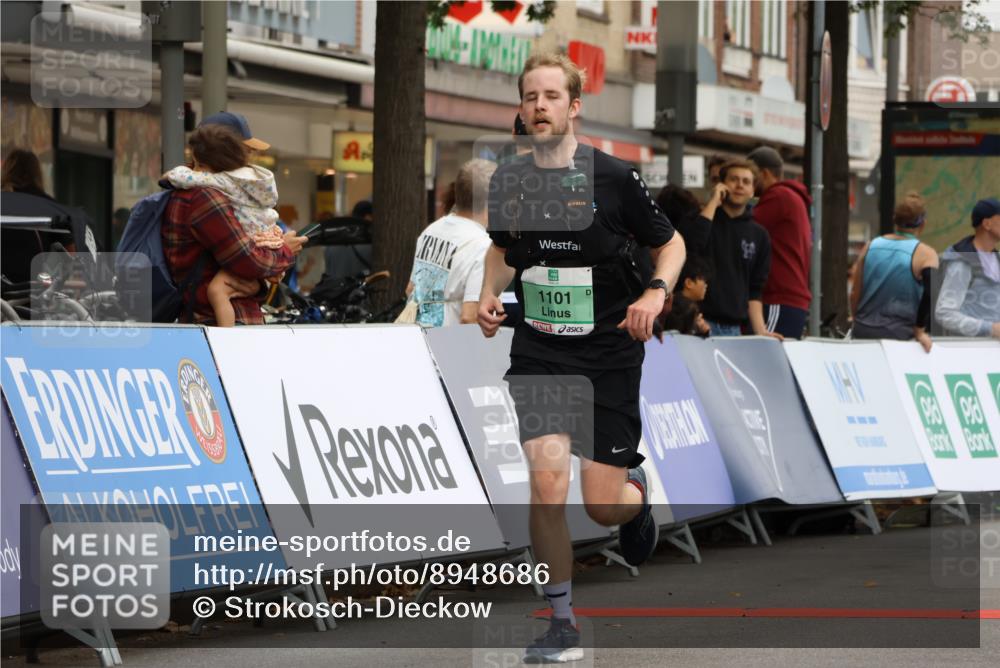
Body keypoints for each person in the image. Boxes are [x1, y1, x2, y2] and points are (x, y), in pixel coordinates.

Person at [477, 52, 685, 663]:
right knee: (546, 483)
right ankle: (561, 623)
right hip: (541, 348)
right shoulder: (511, 182)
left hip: (609, 352)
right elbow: (503, 251)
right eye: (529, 96)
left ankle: (635, 495)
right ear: (521, 109)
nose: (539, 105)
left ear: (574, 106)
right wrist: (490, 293)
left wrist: (656, 291)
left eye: (550, 96)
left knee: (600, 503)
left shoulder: (614, 178)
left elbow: (668, 245)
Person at [161, 128, 304, 325]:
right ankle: (225, 338)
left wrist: (257, 285)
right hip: (220, 320)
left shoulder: (202, 191)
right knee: (218, 293)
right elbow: (247, 260)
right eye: (246, 149)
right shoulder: (206, 197)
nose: (248, 157)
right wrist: (285, 251)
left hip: (207, 315)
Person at [406, 159, 496, 327]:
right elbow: (470, 316)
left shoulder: (431, 230)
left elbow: (410, 289)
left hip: (417, 337)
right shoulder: (483, 246)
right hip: (450, 345)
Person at [697, 160, 777, 339]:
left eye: (746, 181)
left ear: (753, 190)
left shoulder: (760, 235)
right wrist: (713, 202)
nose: (740, 185)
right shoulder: (704, 220)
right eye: (734, 179)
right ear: (722, 184)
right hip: (699, 326)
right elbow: (694, 244)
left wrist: (761, 332)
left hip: (734, 330)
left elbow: (754, 290)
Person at [850, 192, 937, 351]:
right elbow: (931, 294)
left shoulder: (871, 246)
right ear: (923, 224)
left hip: (863, 332)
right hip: (901, 337)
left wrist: (857, 318)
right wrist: (919, 330)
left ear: (895, 220)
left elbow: (855, 291)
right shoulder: (926, 254)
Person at [747, 146, 813, 339]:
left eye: (750, 176)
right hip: (791, 299)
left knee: (762, 359)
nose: (748, 183)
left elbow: (745, 229)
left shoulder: (778, 197)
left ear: (765, 174)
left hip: (778, 297)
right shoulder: (793, 198)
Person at [935, 197, 1000, 338]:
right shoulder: (962, 262)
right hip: (969, 352)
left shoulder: (997, 259)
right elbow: (945, 313)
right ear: (987, 224)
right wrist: (990, 329)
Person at [323, 200, 374, 282]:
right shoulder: (372, 246)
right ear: (368, 217)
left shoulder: (331, 244)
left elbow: (328, 271)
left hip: (332, 292)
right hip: (357, 292)